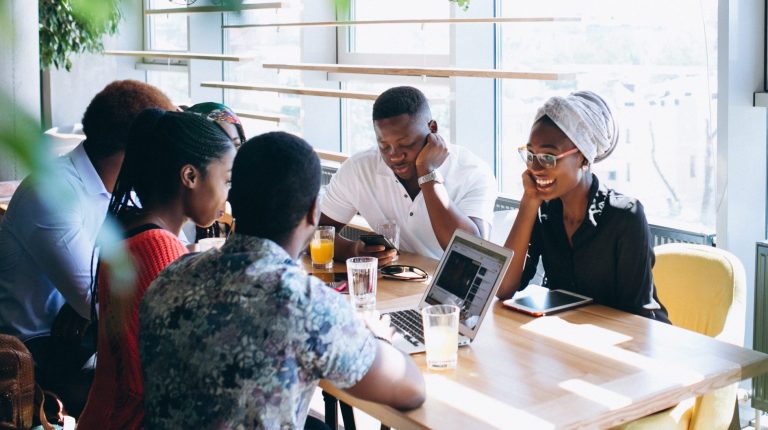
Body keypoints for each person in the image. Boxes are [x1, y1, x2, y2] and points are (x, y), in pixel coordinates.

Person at [139, 131, 426, 429]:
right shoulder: (303, 303)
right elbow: (411, 391)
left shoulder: (169, 276)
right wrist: (375, 336)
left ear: (233, 201)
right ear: (314, 212)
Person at [0, 80, 175, 415]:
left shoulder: (127, 191)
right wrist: (92, 302)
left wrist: (90, 302)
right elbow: (105, 305)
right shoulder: (52, 191)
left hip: (86, 340)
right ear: (139, 150)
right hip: (38, 353)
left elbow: (113, 293)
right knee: (163, 396)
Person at [77, 109, 237, 429]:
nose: (228, 195)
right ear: (190, 176)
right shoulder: (159, 250)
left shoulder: (134, 231)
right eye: (226, 180)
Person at [496, 91, 670, 323]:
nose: (536, 168)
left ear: (583, 158)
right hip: (571, 341)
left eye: (548, 157)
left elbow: (638, 316)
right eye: (531, 155)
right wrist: (528, 203)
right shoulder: (545, 211)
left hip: (625, 341)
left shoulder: (625, 216)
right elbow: (503, 288)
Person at [319, 86, 496, 261]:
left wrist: (427, 174)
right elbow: (312, 233)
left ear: (432, 128)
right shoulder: (359, 169)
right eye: (384, 146)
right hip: (393, 285)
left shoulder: (472, 172)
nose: (395, 156)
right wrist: (354, 250)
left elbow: (473, 254)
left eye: (406, 144)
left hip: (447, 287)